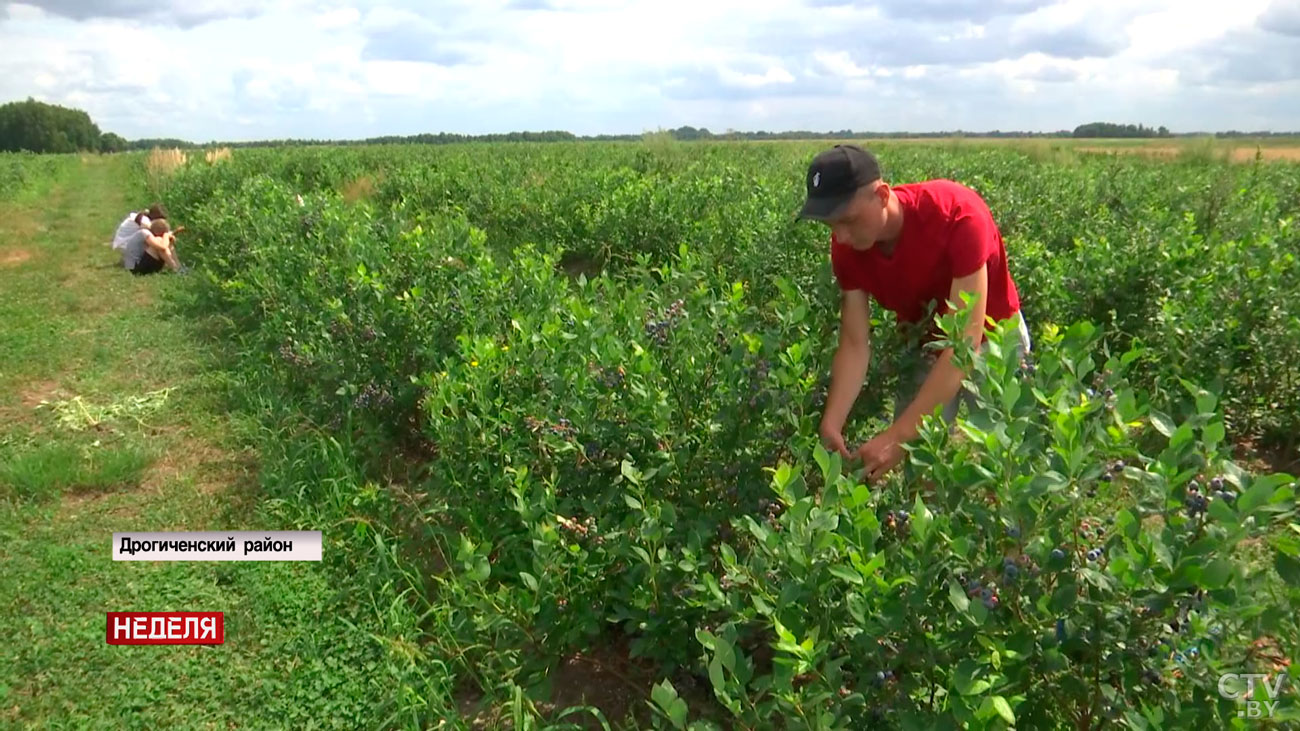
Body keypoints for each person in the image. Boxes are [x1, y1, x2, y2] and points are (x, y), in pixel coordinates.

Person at [798, 144, 1029, 484]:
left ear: (881, 195)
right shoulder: (847, 246)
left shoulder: (957, 216)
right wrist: (832, 420)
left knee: (1011, 464)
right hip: (923, 344)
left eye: (847, 220)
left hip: (992, 339)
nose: (840, 236)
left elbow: (963, 346)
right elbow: (854, 343)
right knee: (919, 475)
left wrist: (897, 436)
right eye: (831, 225)